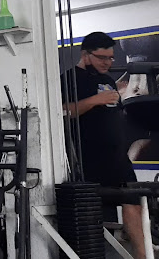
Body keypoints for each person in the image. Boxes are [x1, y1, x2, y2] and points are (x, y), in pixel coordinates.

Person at [62, 31, 145, 258]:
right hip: (89, 158)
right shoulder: (69, 78)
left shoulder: (107, 80)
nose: (107, 62)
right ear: (85, 55)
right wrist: (94, 100)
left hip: (117, 156)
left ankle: (142, 255)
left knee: (133, 201)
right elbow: (63, 111)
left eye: (110, 58)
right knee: (94, 213)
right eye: (102, 58)